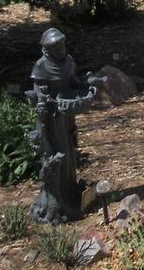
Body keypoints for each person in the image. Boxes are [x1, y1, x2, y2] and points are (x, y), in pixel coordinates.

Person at [28, 28, 101, 224]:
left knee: (68, 151)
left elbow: (73, 82)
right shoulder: (41, 66)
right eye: (56, 47)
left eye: (62, 45)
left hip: (66, 115)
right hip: (50, 119)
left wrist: (87, 84)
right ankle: (55, 201)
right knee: (55, 154)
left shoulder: (68, 61)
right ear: (46, 49)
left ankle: (69, 190)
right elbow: (39, 95)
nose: (61, 49)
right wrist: (47, 101)